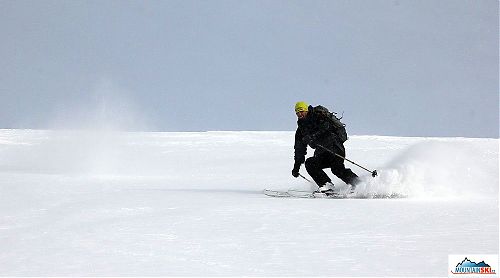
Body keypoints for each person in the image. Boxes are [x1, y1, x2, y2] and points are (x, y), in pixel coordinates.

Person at [292, 101, 359, 194]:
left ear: (306, 110)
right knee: (310, 163)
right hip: (322, 152)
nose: (299, 114)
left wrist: (313, 137)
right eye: (297, 112)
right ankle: (326, 185)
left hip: (335, 147)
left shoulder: (317, 116)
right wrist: (296, 167)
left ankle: (359, 185)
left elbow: (326, 127)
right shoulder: (301, 129)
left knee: (337, 169)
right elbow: (299, 148)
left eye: (301, 111)